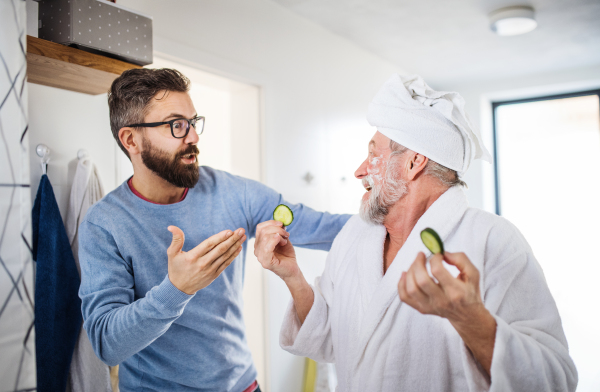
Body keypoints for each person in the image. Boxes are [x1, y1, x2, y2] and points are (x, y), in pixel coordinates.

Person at [253, 74, 578, 391]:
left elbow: (555, 379)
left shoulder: (492, 241)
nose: (359, 171)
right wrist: (293, 277)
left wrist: (469, 318)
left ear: (414, 163)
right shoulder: (356, 234)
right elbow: (326, 341)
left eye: (373, 154)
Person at [78, 68, 350, 392]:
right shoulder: (104, 224)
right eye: (177, 125)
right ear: (131, 139)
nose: (193, 136)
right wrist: (176, 289)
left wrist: (407, 213)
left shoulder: (236, 193)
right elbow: (107, 344)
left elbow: (323, 228)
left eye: (194, 122)